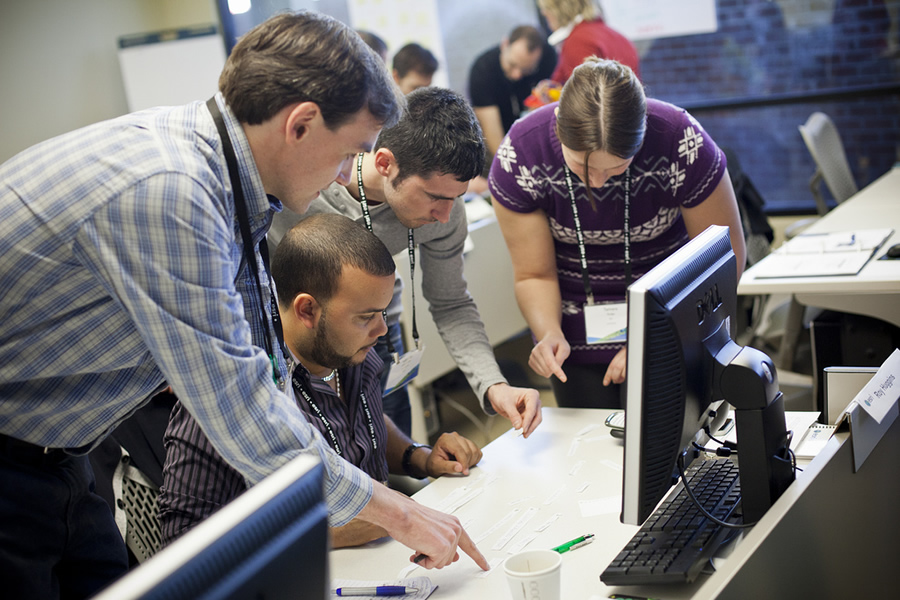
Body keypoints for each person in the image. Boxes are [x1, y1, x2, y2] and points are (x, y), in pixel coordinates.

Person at [0, 11, 487, 599]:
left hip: (62, 454)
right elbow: (242, 411)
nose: (345, 173)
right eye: (349, 151)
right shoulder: (173, 192)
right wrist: (400, 514)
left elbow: (269, 373)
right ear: (302, 124)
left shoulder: (235, 188)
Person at [161, 213, 484, 548]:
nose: (381, 330)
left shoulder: (348, 348)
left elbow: (360, 427)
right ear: (307, 311)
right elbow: (183, 542)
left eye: (382, 313)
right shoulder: (233, 392)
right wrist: (330, 534)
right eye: (366, 317)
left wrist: (420, 457)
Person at [269, 86, 543, 439]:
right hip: (296, 352)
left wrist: (494, 385)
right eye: (434, 197)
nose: (445, 216)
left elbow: (451, 302)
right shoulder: (302, 194)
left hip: (377, 341)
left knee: (390, 457)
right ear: (384, 163)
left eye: (455, 198)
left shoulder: (447, 211)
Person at [489, 58, 746, 409]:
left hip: (671, 320)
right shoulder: (522, 153)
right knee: (589, 449)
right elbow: (534, 273)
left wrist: (655, 340)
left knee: (676, 445)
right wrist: (549, 331)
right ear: (559, 131)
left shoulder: (678, 139)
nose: (596, 181)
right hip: (574, 330)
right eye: (580, 166)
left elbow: (722, 260)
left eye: (616, 168)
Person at [468, 25, 558, 159]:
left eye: (527, 70)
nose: (517, 75)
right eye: (512, 65)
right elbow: (495, 141)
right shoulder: (482, 72)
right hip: (502, 138)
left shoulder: (548, 58)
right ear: (504, 44)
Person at [538, 0, 640, 84]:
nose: (543, 12)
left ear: (559, 9)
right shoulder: (616, 35)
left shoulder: (578, 41)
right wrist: (552, 86)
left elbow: (586, 99)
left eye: (547, 8)